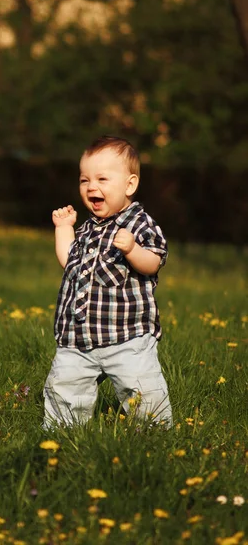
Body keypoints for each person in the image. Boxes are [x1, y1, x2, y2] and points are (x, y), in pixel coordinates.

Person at [44, 135, 172, 429]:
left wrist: (132, 250)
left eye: (102, 178)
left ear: (129, 185)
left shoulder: (139, 223)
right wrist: (64, 229)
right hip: (77, 337)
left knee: (142, 389)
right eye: (84, 180)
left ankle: (153, 431)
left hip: (127, 336)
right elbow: (69, 263)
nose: (91, 187)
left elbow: (154, 263)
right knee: (65, 388)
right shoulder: (88, 229)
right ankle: (64, 433)